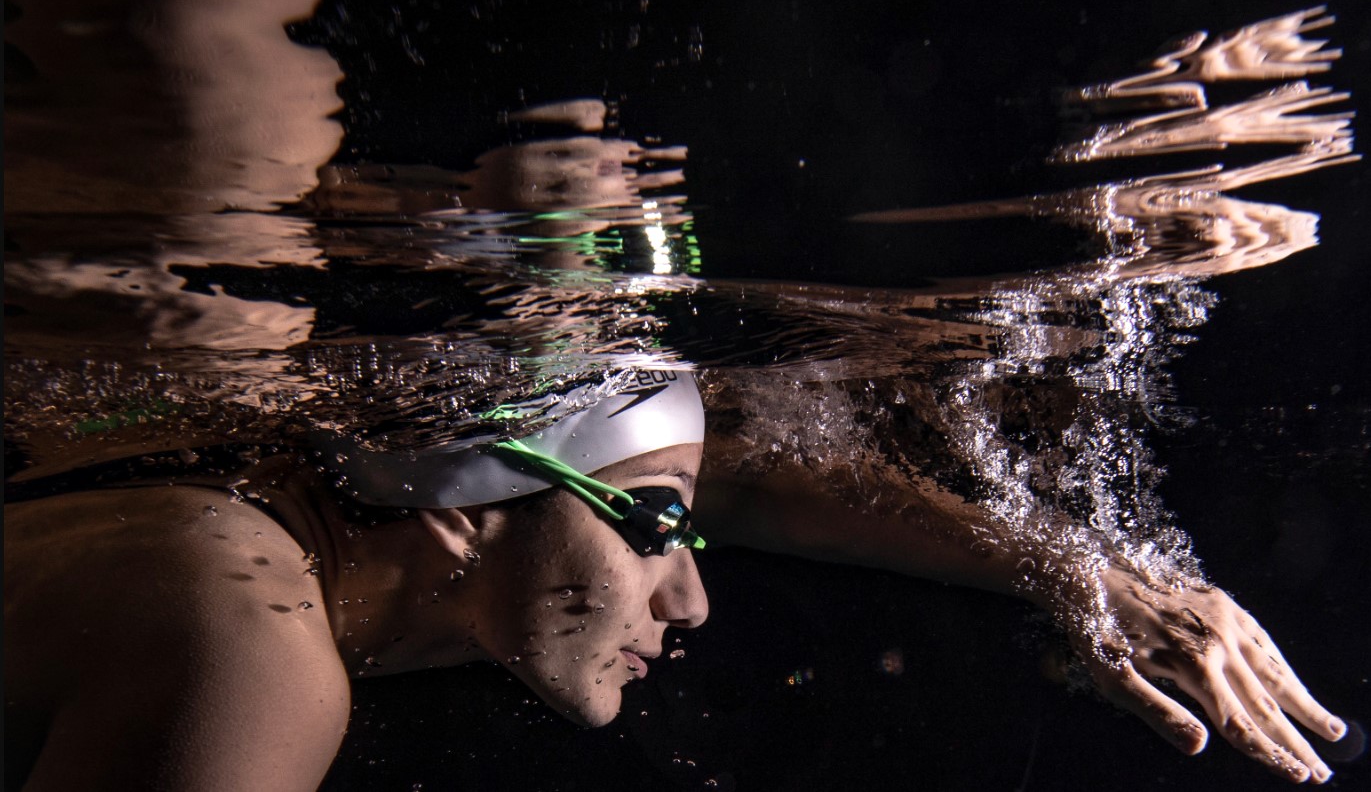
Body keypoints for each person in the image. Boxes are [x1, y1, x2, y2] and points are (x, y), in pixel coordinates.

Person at [4, 370, 1349, 790]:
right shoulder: (254, 645)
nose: (696, 597)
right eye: (660, 527)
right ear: (460, 513)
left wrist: (1066, 563)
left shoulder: (244, 497)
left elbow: (733, 465)